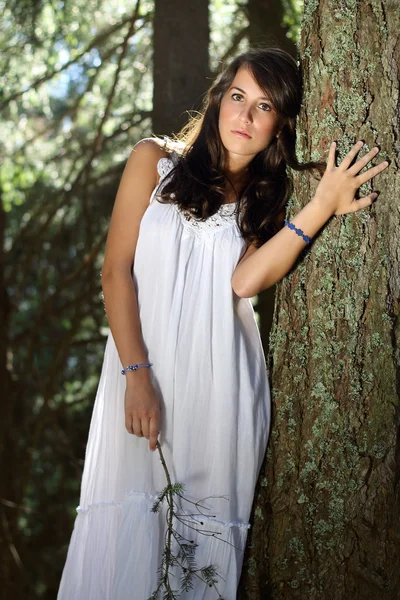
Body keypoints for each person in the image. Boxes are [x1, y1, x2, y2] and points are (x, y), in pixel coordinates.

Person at [57, 47, 388, 599]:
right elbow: (115, 273)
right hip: (144, 379)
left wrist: (324, 202)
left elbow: (244, 281)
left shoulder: (266, 197)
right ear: (218, 99)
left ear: (278, 126)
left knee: (195, 565)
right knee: (124, 536)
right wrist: (136, 374)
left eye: (263, 108)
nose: (245, 116)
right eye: (238, 97)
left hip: (217, 392)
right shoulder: (152, 161)